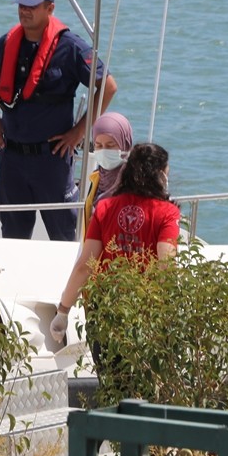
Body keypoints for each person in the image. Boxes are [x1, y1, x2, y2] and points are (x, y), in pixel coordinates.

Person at [0, 0, 118, 241]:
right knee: (12, 236)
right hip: (12, 158)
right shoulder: (6, 43)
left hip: (52, 159)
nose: (25, 11)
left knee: (62, 235)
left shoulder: (71, 47)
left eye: (32, 6)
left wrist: (79, 132)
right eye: (21, 5)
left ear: (50, 8)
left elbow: (108, 87)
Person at [49, 143, 180, 350]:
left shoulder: (105, 207)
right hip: (145, 312)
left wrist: (63, 311)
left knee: (107, 369)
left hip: (104, 310)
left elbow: (85, 265)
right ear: (160, 174)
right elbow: (166, 268)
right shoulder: (167, 213)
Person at [82, 111, 133, 225]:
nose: (103, 151)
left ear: (125, 144)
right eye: (98, 145)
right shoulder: (96, 177)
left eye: (110, 145)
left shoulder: (134, 181)